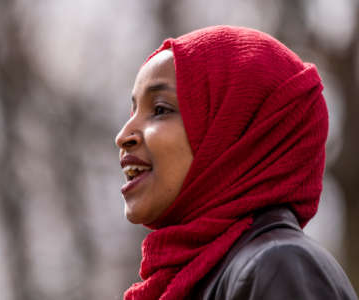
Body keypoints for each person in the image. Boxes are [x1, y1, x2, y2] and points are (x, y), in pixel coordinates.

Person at [115, 26, 358, 300]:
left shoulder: (278, 266)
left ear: (236, 132)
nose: (123, 136)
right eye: (134, 110)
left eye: (160, 110)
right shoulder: (196, 277)